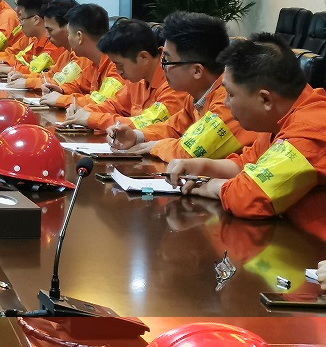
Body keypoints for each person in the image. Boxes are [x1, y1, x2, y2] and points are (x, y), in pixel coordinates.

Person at [168, 33, 326, 224]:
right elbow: (249, 163)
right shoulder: (278, 117)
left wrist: (211, 186)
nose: (225, 103)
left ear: (265, 99)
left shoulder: (312, 129)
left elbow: (250, 197)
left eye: (231, 94)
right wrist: (203, 166)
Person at [106, 12, 262, 160]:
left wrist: (155, 146)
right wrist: (136, 136)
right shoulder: (196, 96)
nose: (162, 67)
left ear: (197, 71)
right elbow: (173, 128)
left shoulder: (229, 101)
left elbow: (190, 151)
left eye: (167, 61)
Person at [61, 18, 191, 131]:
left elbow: (148, 123)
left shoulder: (175, 80)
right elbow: (115, 105)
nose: (118, 71)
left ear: (143, 57)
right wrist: (85, 111)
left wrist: (92, 118)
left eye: (120, 65)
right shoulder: (137, 77)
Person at [40, 3, 122, 108]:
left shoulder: (117, 65)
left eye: (68, 34)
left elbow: (100, 101)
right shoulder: (94, 64)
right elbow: (78, 85)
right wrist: (61, 90)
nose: (68, 38)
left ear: (79, 36)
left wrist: (60, 99)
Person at [5, 0, 90, 91]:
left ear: (68, 28)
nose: (47, 35)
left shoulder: (82, 55)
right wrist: (24, 77)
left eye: (50, 30)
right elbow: (51, 75)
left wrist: (27, 82)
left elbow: (59, 82)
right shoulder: (66, 53)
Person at [0, 0, 63, 75]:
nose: (20, 24)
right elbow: (18, 59)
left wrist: (4, 69)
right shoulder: (35, 40)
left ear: (36, 19)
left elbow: (35, 71)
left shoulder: (55, 42)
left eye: (21, 19)